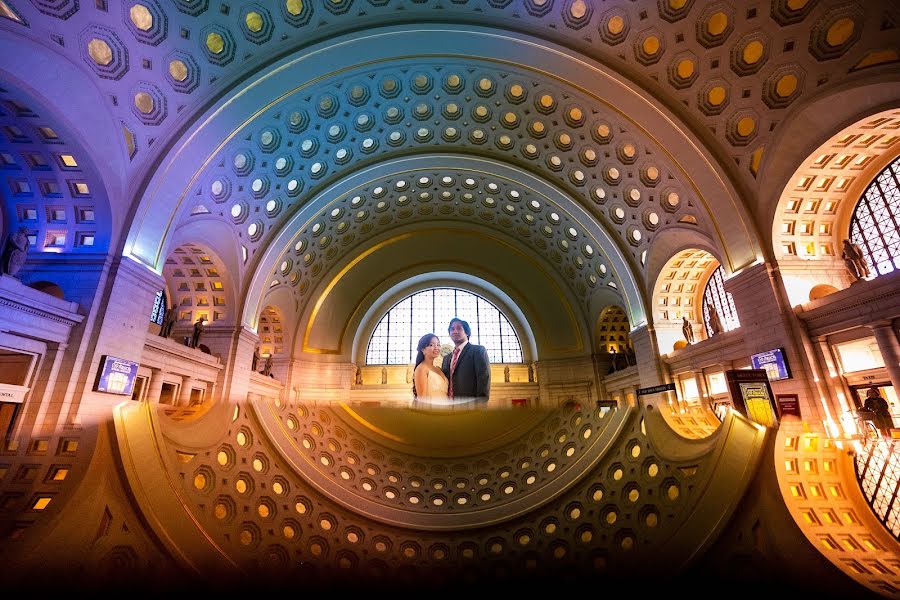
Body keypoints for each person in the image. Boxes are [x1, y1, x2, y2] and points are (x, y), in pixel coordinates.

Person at [442, 318, 491, 402]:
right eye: (452, 329)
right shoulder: (446, 358)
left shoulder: (478, 351)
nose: (455, 331)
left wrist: (480, 405)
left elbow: (483, 379)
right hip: (449, 407)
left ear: (467, 332)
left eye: (459, 328)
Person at [412, 333, 449, 404]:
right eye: (431, 345)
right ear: (423, 349)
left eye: (438, 344)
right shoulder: (421, 369)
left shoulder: (438, 369)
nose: (436, 348)